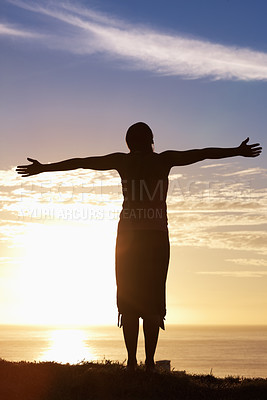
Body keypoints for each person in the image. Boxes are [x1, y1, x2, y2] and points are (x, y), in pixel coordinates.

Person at [16, 122, 262, 371]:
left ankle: (132, 362)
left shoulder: (123, 161)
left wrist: (44, 168)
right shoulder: (163, 160)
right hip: (155, 238)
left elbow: (81, 161)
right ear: (152, 140)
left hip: (128, 239)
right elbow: (202, 153)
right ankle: (150, 363)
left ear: (128, 143)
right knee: (153, 302)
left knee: (129, 301)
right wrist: (236, 151)